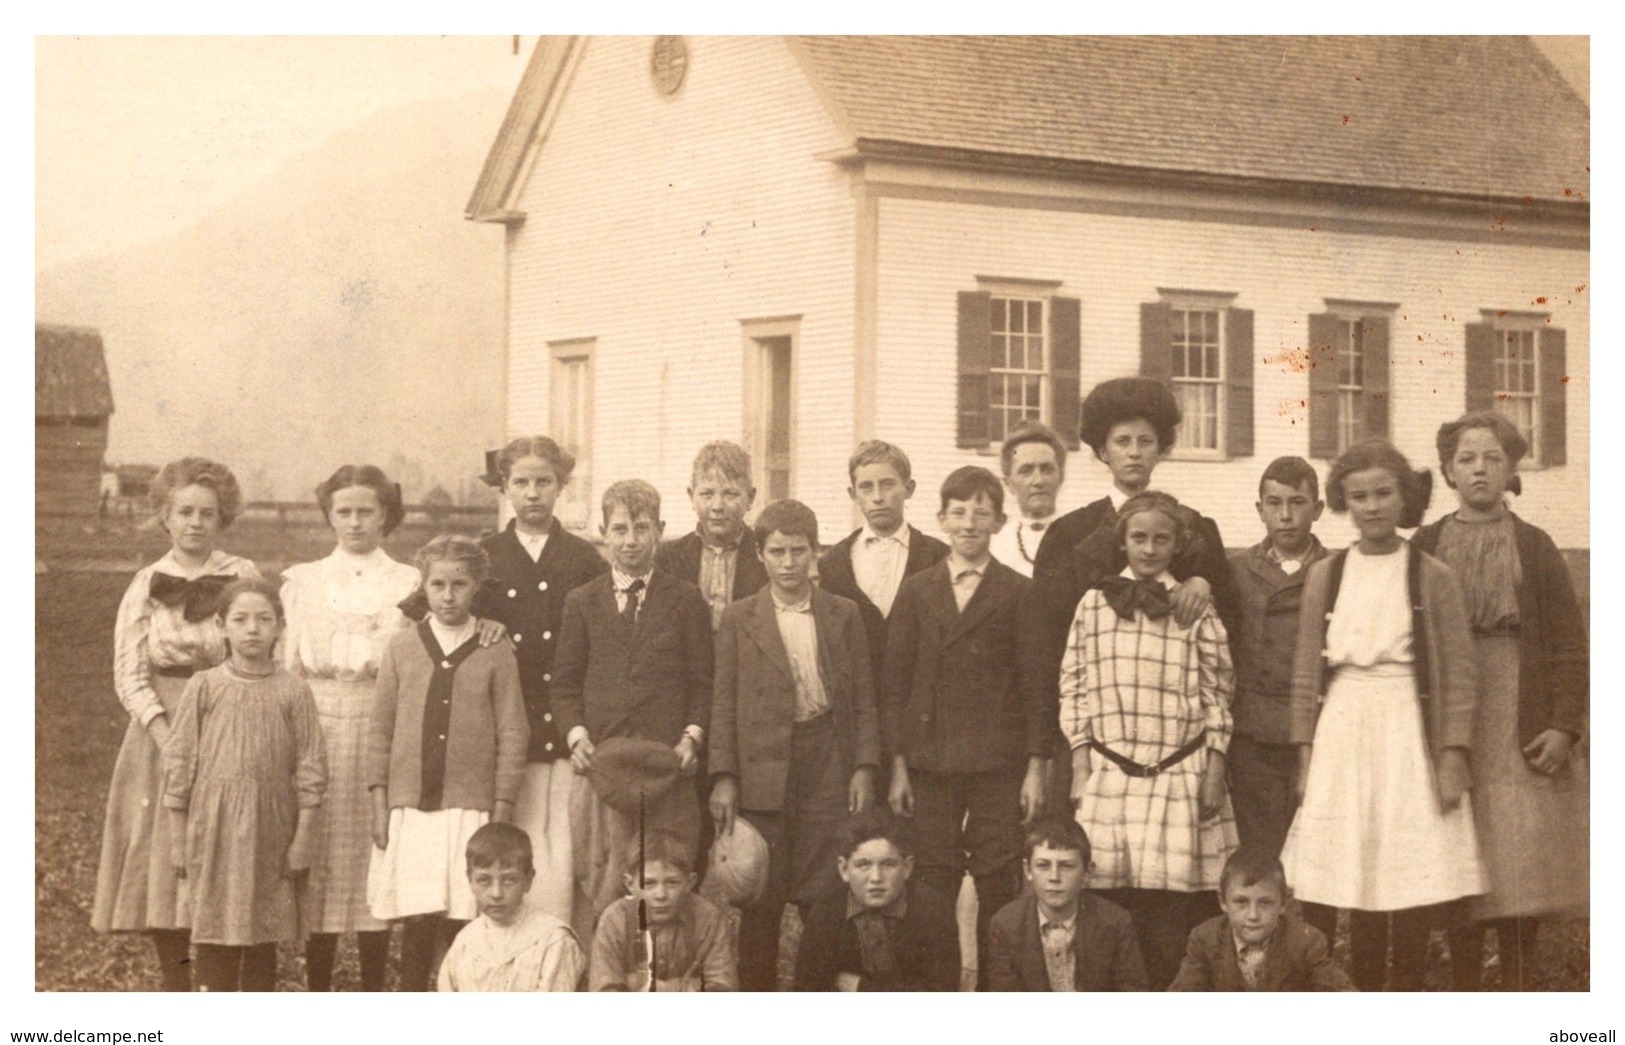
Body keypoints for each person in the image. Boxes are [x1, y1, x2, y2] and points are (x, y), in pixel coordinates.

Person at [1281, 439, 1485, 991]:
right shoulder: (1328, 573)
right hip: (1343, 726)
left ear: (1406, 497)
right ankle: (1356, 992)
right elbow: (1306, 670)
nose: (1372, 507)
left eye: (1383, 494)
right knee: (1352, 866)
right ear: (1343, 502)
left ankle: (1407, 990)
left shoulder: (1431, 574)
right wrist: (1304, 756)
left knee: (1405, 866)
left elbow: (1461, 673)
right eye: (1359, 496)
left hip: (1406, 728)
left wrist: (1452, 755)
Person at [1415, 413, 1588, 990]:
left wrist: (1564, 725)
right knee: (1463, 847)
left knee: (1520, 856)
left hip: (1522, 709)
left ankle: (1515, 979)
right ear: (1447, 471)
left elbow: (1568, 644)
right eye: (1467, 459)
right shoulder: (1428, 544)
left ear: (1511, 469)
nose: (1480, 469)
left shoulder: (1535, 547)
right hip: (1454, 710)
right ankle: (1465, 980)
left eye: (1492, 458)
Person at [1026, 377, 1238, 816]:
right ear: (1102, 451)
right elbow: (1046, 645)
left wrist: (1204, 581)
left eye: (1147, 441)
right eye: (1122, 441)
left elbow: (1224, 640)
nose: (1135, 451)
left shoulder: (1197, 531)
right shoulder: (1069, 534)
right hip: (1094, 731)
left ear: (1162, 449)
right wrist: (1049, 747)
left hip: (1173, 735)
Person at [91, 456, 261, 991]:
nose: (194, 522)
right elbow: (128, 672)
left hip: (232, 718)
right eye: (183, 511)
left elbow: (261, 651)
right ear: (165, 516)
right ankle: (178, 990)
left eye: (206, 513)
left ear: (222, 518)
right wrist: (165, 734)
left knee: (228, 851)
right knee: (167, 857)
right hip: (160, 731)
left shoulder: (242, 575)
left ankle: (223, 983)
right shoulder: (145, 583)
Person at [1059, 490, 1238, 990]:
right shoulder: (1094, 604)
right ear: (1123, 542)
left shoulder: (1195, 607)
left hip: (1176, 777)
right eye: (1138, 537)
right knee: (1111, 912)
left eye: (1162, 539)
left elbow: (1218, 692)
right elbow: (1073, 685)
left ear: (1178, 545)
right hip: (1112, 777)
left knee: (1168, 920)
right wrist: (1080, 763)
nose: (1149, 549)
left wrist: (1215, 768)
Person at [883, 465, 1046, 988]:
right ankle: (939, 988)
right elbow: (897, 685)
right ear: (941, 519)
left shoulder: (1019, 592)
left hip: (999, 764)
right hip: (930, 763)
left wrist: (1035, 769)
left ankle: (998, 991)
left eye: (981, 512)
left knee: (998, 877)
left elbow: (1036, 685)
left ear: (999, 521)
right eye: (958, 511)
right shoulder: (917, 591)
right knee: (933, 878)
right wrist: (900, 767)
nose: (969, 522)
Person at [709, 499, 880, 990]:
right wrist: (724, 776)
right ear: (759, 554)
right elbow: (723, 702)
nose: (788, 563)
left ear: (815, 553)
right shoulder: (741, 618)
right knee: (762, 896)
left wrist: (864, 767)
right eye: (777, 551)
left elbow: (863, 698)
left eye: (798, 551)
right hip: (763, 768)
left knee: (825, 894)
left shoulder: (842, 614)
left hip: (826, 758)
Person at [280, 465, 421, 991]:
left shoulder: (408, 582)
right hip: (316, 726)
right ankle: (318, 991)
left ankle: (372, 995)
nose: (355, 522)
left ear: (386, 514)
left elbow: (411, 666)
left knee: (373, 857)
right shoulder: (303, 580)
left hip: (380, 723)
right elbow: (290, 669)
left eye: (366, 511)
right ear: (329, 515)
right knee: (317, 856)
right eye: (344, 511)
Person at [366, 535, 528, 991]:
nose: (448, 595)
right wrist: (381, 805)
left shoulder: (494, 647)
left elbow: (513, 730)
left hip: (469, 808)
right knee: (418, 922)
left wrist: (502, 807)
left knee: (464, 923)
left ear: (477, 586)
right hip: (413, 809)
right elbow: (380, 729)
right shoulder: (402, 646)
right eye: (438, 584)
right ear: (424, 585)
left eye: (459, 584)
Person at [552, 480, 713, 925]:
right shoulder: (582, 602)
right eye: (620, 529)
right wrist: (577, 736)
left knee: (665, 875)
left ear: (660, 530)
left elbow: (703, 684)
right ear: (603, 532)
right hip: (601, 766)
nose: (631, 541)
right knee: (603, 877)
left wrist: (691, 739)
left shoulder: (685, 600)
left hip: (665, 768)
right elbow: (565, 684)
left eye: (642, 529)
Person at [472, 438, 610, 935]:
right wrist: (477, 623)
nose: (533, 493)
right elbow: (436, 618)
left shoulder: (584, 559)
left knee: (569, 856)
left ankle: (567, 961)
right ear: (505, 488)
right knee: (517, 849)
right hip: (511, 731)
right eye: (521, 483)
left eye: (543, 482)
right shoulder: (484, 557)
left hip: (571, 728)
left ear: (561, 486)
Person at [162, 579, 326, 991]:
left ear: (280, 627)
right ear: (221, 626)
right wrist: (179, 838)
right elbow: (179, 763)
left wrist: (303, 837)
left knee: (260, 936)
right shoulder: (204, 686)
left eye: (263, 619)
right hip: (213, 825)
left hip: (271, 828)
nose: (252, 629)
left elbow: (311, 767)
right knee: (215, 933)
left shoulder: (294, 690)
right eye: (240, 619)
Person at [1223, 457, 1337, 942]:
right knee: (1262, 856)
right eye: (1275, 504)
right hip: (1254, 734)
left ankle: (1316, 959)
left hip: (1316, 733)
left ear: (1319, 508)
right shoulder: (1235, 570)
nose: (1286, 515)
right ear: (1259, 510)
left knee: (1318, 861)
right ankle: (1261, 962)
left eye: (1297, 503)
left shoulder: (1337, 571)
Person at [818, 440, 950, 685]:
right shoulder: (834, 564)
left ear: (908, 488)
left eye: (887, 484)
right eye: (866, 487)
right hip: (859, 703)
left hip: (918, 704)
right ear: (853, 494)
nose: (877, 497)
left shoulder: (939, 558)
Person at [792, 811, 960, 992]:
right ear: (844, 869)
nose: (876, 877)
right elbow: (807, 989)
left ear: (907, 868)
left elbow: (942, 991)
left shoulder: (932, 910)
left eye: (888, 864)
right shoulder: (827, 912)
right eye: (863, 865)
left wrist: (862, 987)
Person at [985, 817, 1146, 991]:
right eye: (1043, 865)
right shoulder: (1005, 925)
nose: (1054, 877)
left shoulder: (1116, 922)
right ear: (1028, 870)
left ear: (1087, 872)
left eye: (1067, 866)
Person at [1168, 847, 1355, 991]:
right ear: (1223, 901)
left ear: (1283, 903)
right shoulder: (1205, 939)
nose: (1253, 916)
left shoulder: (1306, 941)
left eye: (1265, 903)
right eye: (1241, 902)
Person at [436, 823, 583, 992]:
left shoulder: (553, 941)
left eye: (509, 880)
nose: (496, 893)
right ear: (470, 880)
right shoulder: (464, 943)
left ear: (528, 880)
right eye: (484, 880)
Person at [589, 835, 738, 991]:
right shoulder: (615, 920)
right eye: (648, 883)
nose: (661, 895)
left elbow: (723, 987)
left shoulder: (708, 918)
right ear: (630, 884)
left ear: (690, 882)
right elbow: (604, 989)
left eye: (672, 883)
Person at [655, 441, 766, 631]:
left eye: (730, 494)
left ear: (750, 498)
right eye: (707, 494)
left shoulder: (766, 555)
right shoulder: (668, 558)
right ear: (692, 496)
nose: (717, 506)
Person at [989, 421, 1067, 579]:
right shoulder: (998, 547)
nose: (1038, 481)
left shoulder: (1082, 538)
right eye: (1026, 471)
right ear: (1009, 484)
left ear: (1061, 477)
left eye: (1047, 469)